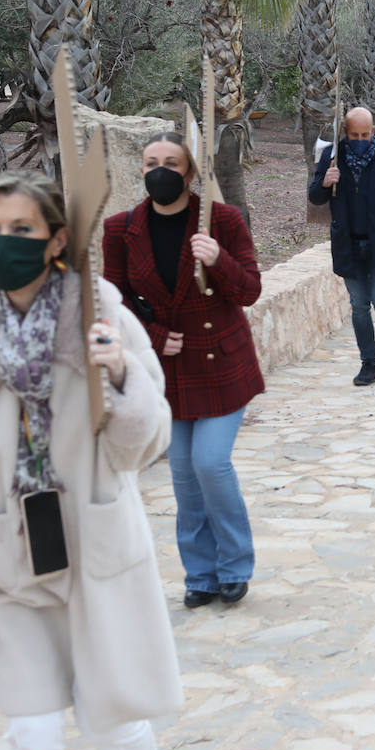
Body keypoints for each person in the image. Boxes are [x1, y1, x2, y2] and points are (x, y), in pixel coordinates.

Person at [0, 170, 181, 750]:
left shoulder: (99, 311)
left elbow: (148, 443)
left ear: (56, 240)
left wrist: (122, 375)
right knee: (32, 737)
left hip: (97, 550)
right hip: (9, 564)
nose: (3, 243)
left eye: (21, 229)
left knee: (116, 724)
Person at [105, 132, 265, 608]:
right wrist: (154, 340)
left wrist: (217, 260)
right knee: (182, 474)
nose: (160, 171)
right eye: (152, 162)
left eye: (171, 163)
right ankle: (200, 574)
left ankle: (235, 566)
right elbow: (112, 303)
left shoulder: (223, 221)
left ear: (191, 172)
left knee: (210, 464)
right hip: (167, 368)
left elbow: (250, 289)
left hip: (221, 363)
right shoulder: (120, 229)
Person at [307, 107, 375, 385]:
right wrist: (325, 182)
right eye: (354, 134)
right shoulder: (333, 158)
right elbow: (316, 197)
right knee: (359, 306)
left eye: (365, 134)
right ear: (345, 132)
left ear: (373, 132)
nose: (359, 139)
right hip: (348, 246)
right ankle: (368, 363)